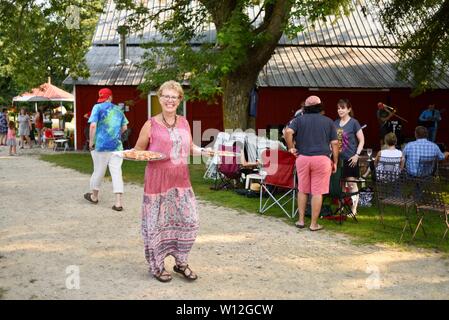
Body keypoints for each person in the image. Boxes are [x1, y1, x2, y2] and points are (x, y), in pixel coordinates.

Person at [134, 80, 212, 282]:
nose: (170, 100)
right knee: (157, 225)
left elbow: (190, 146)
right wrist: (148, 156)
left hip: (181, 180)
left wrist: (203, 151)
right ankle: (158, 266)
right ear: (160, 99)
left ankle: (181, 262)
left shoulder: (184, 122)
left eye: (174, 97)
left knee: (190, 221)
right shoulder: (150, 124)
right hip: (157, 181)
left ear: (179, 100)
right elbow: (138, 150)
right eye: (166, 96)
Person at [284, 95, 339, 231]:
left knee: (302, 190)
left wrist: (291, 148)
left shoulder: (299, 120)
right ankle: (314, 224)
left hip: (303, 158)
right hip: (322, 159)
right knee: (317, 192)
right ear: (320, 107)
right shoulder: (329, 122)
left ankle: (301, 220)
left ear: (306, 107)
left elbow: (287, 132)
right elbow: (335, 144)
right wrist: (335, 161)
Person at [83, 88, 128, 211]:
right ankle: (118, 203)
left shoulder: (97, 108)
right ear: (111, 97)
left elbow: (92, 125)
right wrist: (116, 134)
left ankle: (94, 196)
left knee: (98, 171)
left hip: (101, 146)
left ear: (102, 97)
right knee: (117, 172)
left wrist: (91, 142)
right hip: (117, 147)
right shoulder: (118, 110)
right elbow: (124, 127)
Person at [334, 99, 365, 216]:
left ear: (349, 109)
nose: (340, 110)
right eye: (338, 108)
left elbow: (362, 140)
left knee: (352, 184)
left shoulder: (354, 123)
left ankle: (353, 210)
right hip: (338, 159)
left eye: (342, 108)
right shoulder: (335, 123)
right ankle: (340, 208)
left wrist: (357, 155)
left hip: (350, 159)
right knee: (340, 184)